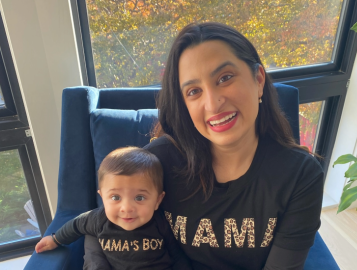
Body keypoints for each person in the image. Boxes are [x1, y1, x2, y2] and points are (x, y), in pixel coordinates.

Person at [84, 22, 324, 269]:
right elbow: (100, 221)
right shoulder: (161, 161)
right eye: (194, 91)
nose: (212, 103)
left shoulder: (300, 175)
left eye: (225, 78)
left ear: (259, 79)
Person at [35, 147, 192, 270]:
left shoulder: (161, 222)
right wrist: (56, 239)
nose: (126, 208)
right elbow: (75, 225)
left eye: (140, 198)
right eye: (115, 197)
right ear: (102, 197)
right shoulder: (98, 219)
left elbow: (177, 256)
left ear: (158, 200)